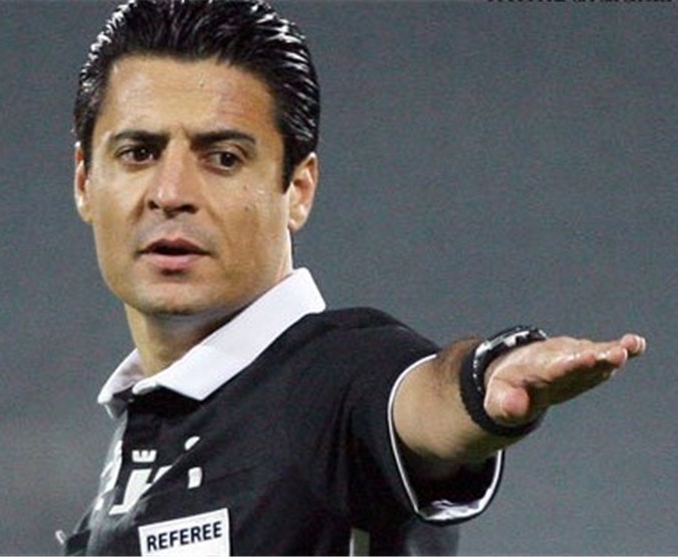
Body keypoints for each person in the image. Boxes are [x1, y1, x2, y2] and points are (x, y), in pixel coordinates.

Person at [61, 0, 646, 555]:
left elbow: (416, 399)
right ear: (86, 182)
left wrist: (479, 383)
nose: (170, 193)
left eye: (224, 158)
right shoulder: (149, 431)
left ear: (298, 189)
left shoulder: (328, 380)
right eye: (138, 153)